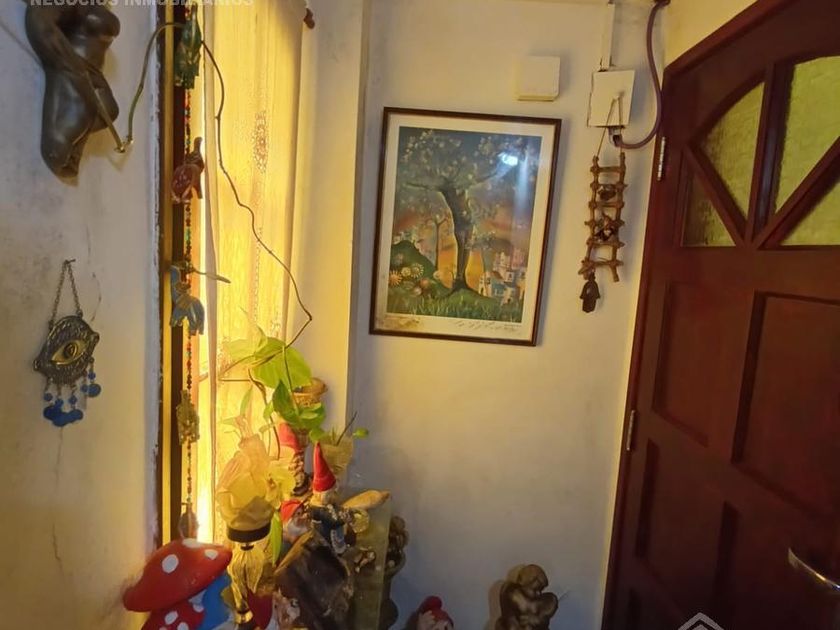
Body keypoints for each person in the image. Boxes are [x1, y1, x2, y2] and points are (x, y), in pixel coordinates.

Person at [24, 3, 121, 178]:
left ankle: (74, 143)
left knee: (110, 111)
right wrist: (74, 71)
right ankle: (64, 142)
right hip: (75, 73)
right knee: (61, 146)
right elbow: (40, 19)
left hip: (90, 76)